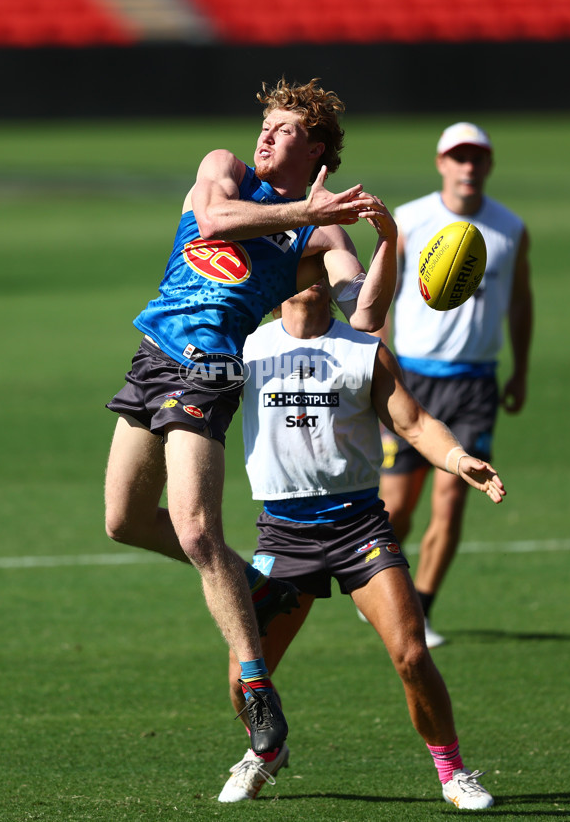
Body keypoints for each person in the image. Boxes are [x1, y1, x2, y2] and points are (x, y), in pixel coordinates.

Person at [104, 78, 398, 758]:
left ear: (316, 147)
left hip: (208, 373)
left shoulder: (320, 231)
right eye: (266, 122)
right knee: (123, 521)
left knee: (198, 531)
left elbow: (364, 311)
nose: (265, 134)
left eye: (284, 128)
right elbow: (212, 223)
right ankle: (260, 585)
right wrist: (304, 211)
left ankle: (258, 686)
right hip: (151, 357)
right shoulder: (224, 169)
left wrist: (388, 242)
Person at [218, 281, 505, 809]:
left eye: (318, 263)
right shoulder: (247, 346)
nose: (307, 273)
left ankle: (453, 773)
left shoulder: (363, 349)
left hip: (359, 528)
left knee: (413, 655)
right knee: (243, 676)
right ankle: (265, 753)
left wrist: (458, 458)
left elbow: (413, 422)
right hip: (283, 532)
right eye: (298, 262)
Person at [377, 121, 532, 648]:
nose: (468, 167)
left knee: (452, 497)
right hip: (413, 378)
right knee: (395, 507)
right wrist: (380, 363)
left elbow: (521, 300)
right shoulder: (412, 220)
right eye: (458, 157)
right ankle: (383, 593)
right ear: (442, 162)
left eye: (477, 158)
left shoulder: (510, 228)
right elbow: (381, 293)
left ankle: (419, 612)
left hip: (476, 385)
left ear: (488, 164)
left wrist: (521, 370)